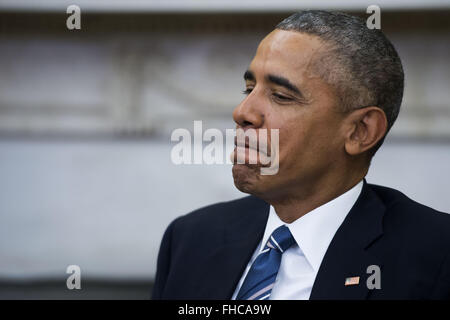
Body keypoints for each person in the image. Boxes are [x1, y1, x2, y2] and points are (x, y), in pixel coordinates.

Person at [152, 10, 450, 300]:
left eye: (281, 96)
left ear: (360, 131)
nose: (242, 112)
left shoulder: (435, 257)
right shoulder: (190, 239)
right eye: (248, 89)